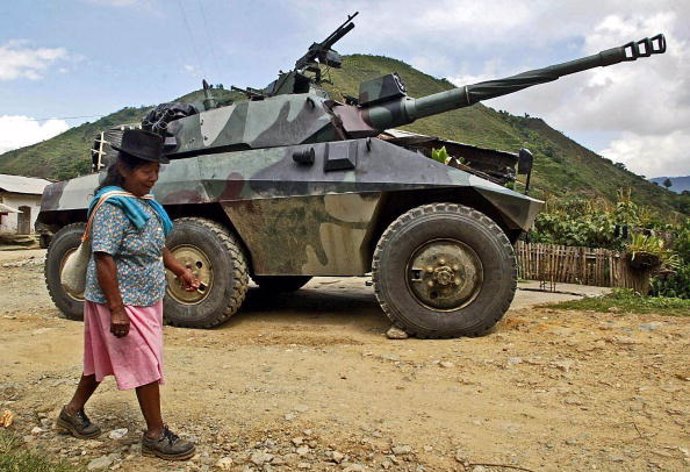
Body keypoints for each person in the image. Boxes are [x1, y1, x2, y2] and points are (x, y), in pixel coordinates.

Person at [57, 129, 199, 461]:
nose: (153, 178)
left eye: (156, 171)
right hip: (120, 300)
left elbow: (155, 245)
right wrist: (117, 310)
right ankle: (155, 434)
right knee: (145, 361)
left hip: (145, 297)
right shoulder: (112, 206)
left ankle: (71, 412)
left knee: (102, 360)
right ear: (124, 168)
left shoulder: (143, 204)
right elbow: (103, 257)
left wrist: (180, 270)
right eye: (146, 171)